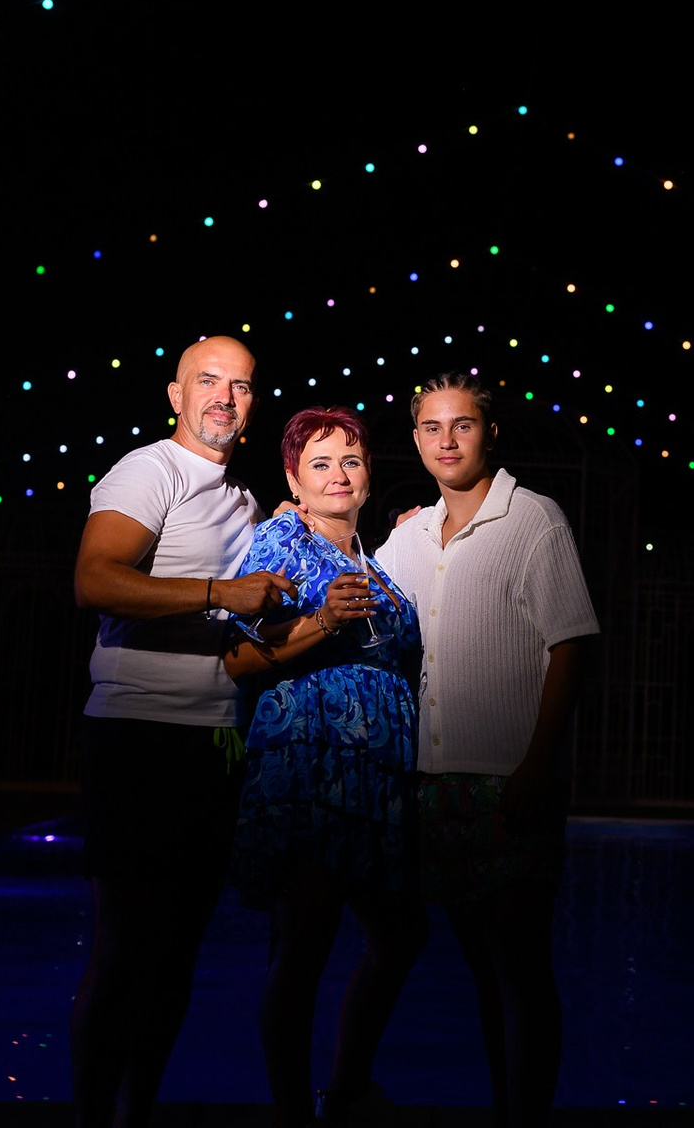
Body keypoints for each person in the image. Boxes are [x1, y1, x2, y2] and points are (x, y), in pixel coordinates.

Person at [69, 335, 296, 1128]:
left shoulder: (243, 502)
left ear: (253, 404)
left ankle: (135, 1116)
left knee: (178, 951)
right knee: (126, 947)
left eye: (241, 386)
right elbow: (95, 579)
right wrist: (219, 592)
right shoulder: (149, 471)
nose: (224, 398)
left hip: (216, 741)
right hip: (138, 734)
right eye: (208, 381)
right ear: (175, 394)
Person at [375, 373, 599, 1128]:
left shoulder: (534, 520)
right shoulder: (410, 536)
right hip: (432, 785)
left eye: (462, 425)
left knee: (520, 967)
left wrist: (538, 764)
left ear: (489, 434)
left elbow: (570, 646)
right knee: (480, 966)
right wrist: (296, 519)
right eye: (431, 427)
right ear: (416, 440)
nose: (447, 440)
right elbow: (351, 587)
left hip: (510, 782)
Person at [222, 407, 430, 1127]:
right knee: (303, 946)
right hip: (309, 766)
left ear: (369, 475)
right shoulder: (283, 539)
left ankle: (344, 1089)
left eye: (351, 460)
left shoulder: (381, 561)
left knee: (402, 934)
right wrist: (322, 622)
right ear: (293, 480)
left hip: (377, 776)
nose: (338, 474)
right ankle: (293, 1113)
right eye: (319, 463)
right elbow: (238, 658)